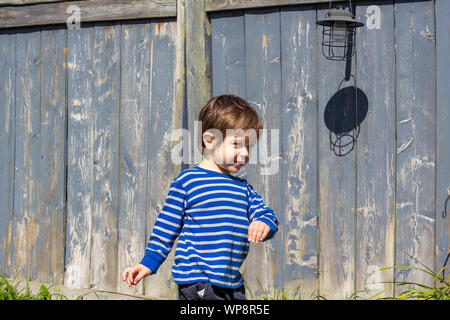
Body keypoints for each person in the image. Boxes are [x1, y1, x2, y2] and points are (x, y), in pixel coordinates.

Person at [122, 94, 279, 300]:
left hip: (231, 282)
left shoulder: (244, 190)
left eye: (248, 147)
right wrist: (148, 262)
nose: (245, 154)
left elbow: (267, 215)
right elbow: (166, 227)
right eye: (237, 144)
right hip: (199, 282)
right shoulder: (188, 182)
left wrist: (263, 223)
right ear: (210, 140)